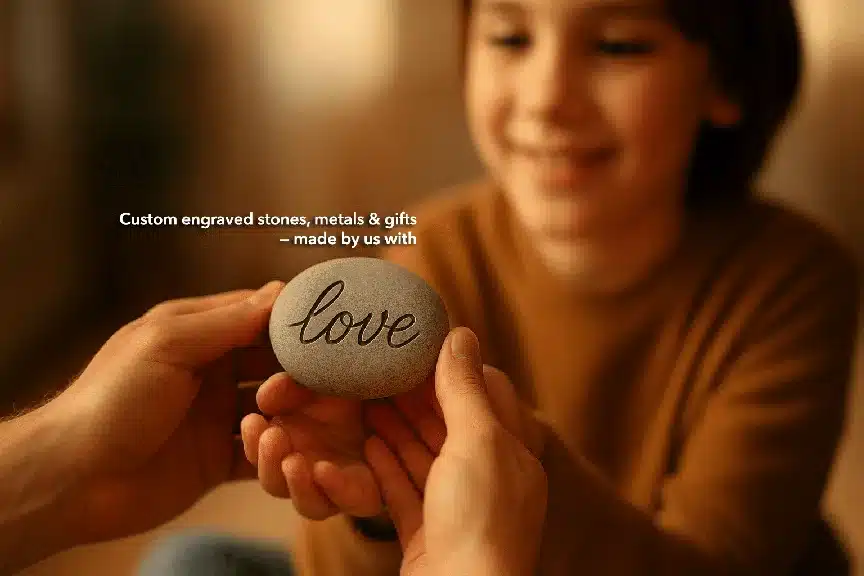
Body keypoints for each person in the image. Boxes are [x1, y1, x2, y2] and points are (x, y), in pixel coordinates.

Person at [243, 0, 861, 575]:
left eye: (618, 47)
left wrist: (527, 465)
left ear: (728, 78)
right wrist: (377, 506)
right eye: (511, 38)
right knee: (201, 560)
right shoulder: (431, 253)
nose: (547, 98)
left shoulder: (792, 282)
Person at [0, 284, 545, 575]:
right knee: (191, 563)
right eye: (510, 61)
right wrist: (380, 520)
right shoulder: (436, 242)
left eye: (621, 61)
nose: (546, 99)